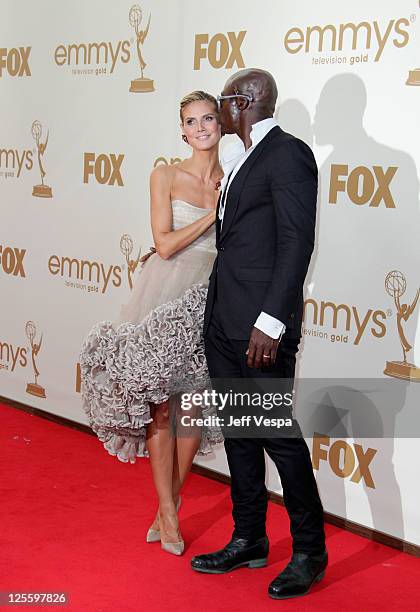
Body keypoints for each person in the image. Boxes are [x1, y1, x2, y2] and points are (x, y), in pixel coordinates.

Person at [190, 69, 327, 600]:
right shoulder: (241, 158)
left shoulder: (288, 154)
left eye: (222, 100)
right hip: (225, 322)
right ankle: (248, 536)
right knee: (241, 434)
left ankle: (310, 552)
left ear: (244, 102)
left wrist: (271, 322)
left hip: (260, 330)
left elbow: (297, 242)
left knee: (278, 438)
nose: (218, 108)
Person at [79, 90, 223, 557]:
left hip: (209, 298)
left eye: (207, 118)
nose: (200, 127)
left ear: (221, 124)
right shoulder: (165, 175)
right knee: (161, 408)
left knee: (193, 410)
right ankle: (169, 511)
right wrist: (210, 217)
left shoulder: (235, 177)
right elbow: (163, 245)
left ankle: (169, 505)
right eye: (191, 121)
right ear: (181, 129)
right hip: (163, 293)